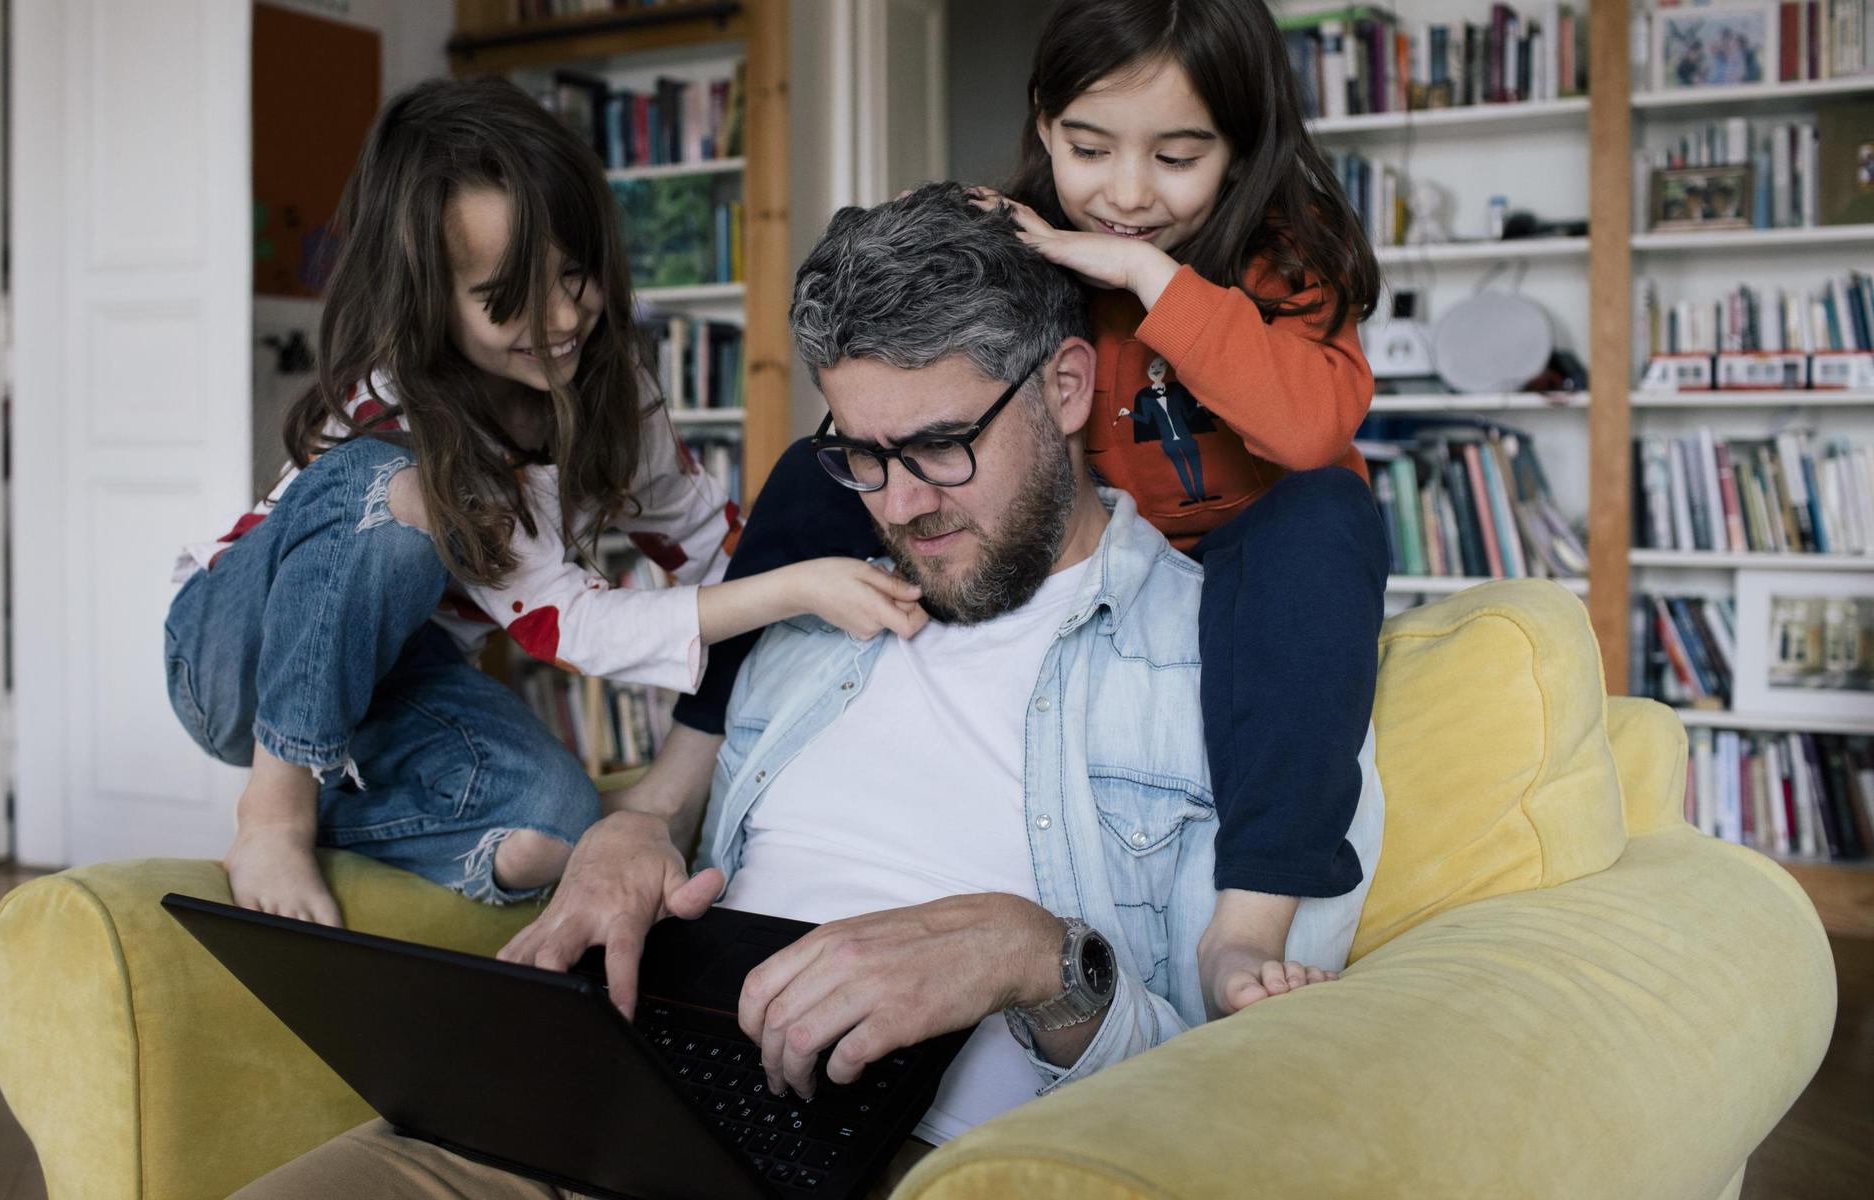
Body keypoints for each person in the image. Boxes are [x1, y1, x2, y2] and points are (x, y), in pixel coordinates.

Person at [233, 180, 1382, 1200]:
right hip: (600, 1097)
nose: (899, 504)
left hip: (907, 1158)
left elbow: (1242, 1106)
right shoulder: (812, 614)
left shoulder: (1234, 658)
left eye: (938, 445)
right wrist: (630, 839)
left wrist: (1036, 960)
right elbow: (676, 789)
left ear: (1067, 386)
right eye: (859, 455)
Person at [589, 0, 1390, 1020]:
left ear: (1239, 151)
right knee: (805, 471)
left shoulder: (1285, 259)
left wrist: (1148, 279)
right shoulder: (1033, 237)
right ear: (1044, 126)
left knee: (1324, 515)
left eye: (1176, 156)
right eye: (1088, 147)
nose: (1127, 195)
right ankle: (670, 785)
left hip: (1253, 535)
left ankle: (1246, 926)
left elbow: (1307, 433)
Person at [163, 77, 927, 928]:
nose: (563, 318)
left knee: (552, 824)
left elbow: (704, 537)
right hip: (230, 656)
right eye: (507, 301)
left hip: (392, 683)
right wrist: (795, 588)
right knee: (394, 498)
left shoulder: (611, 389)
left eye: (576, 275)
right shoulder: (397, 407)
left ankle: (373, 810)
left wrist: (795, 627)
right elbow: (568, 621)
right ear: (429, 302)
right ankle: (275, 808)